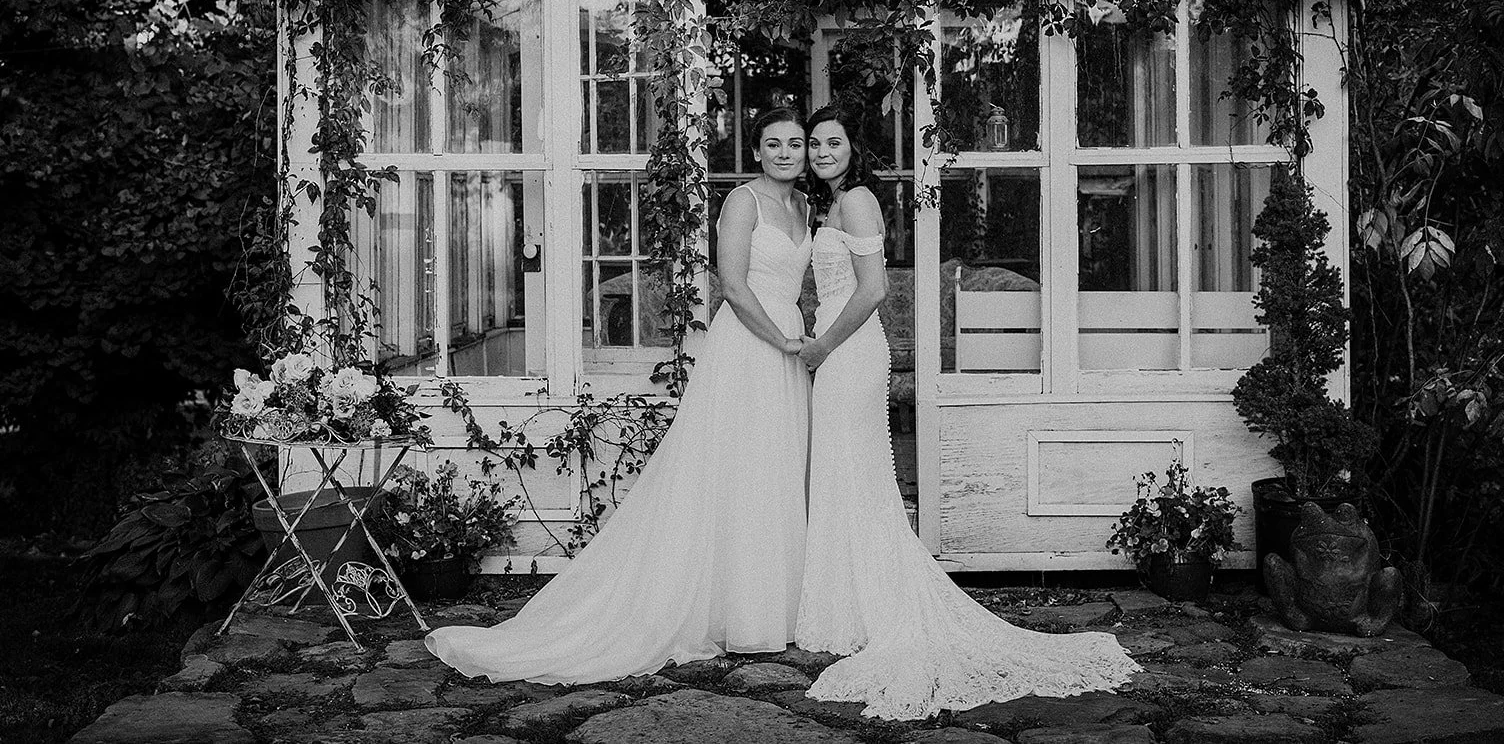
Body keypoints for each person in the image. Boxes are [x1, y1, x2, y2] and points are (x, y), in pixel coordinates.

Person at [427, 107, 814, 682]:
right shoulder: (743, 202)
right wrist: (783, 340)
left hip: (790, 344)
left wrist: (802, 338)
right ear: (755, 151)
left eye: (795, 143)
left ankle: (770, 606)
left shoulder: (804, 205)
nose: (785, 153)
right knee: (739, 468)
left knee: (775, 467)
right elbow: (733, 286)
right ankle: (735, 612)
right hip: (752, 346)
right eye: (773, 143)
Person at [794, 103, 1141, 719]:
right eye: (815, 143)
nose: (822, 152)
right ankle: (844, 604)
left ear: (853, 149)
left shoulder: (859, 201)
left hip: (849, 352)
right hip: (838, 350)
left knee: (854, 474)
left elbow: (873, 290)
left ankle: (871, 607)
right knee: (845, 475)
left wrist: (821, 346)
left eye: (833, 143)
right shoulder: (831, 204)